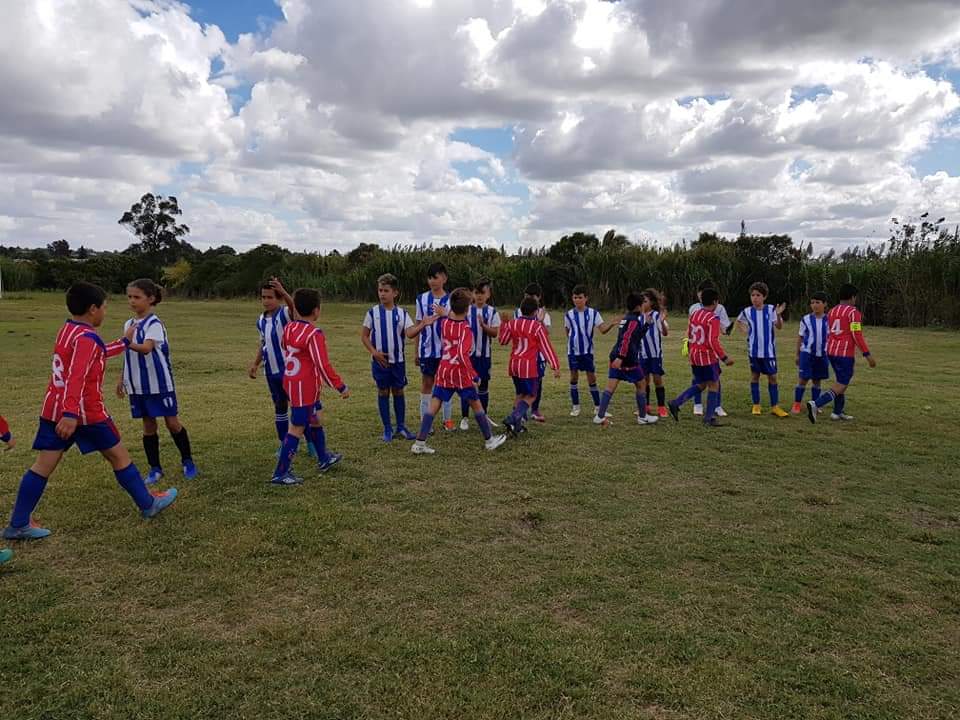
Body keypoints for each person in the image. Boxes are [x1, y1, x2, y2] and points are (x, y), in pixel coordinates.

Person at [4, 281, 177, 540]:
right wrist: (71, 414)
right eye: (104, 307)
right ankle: (148, 504)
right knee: (119, 456)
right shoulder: (87, 338)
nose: (105, 312)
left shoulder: (69, 330)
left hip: (54, 410)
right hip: (84, 413)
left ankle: (18, 523)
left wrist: (123, 342)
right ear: (93, 309)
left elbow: (96, 353)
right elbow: (76, 376)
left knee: (42, 466)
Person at [117, 278, 198, 484]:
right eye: (129, 297)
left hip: (159, 384)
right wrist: (122, 379)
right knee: (148, 425)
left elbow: (145, 348)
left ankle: (188, 461)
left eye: (137, 297)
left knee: (172, 423)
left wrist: (125, 342)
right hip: (138, 385)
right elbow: (128, 355)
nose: (132, 301)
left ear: (151, 299)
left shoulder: (154, 323)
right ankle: (155, 468)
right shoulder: (129, 324)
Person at [411, 288, 507, 454]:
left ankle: (419, 442)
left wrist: (444, 313)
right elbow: (463, 355)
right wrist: (474, 375)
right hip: (459, 372)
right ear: (468, 308)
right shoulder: (466, 329)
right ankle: (489, 440)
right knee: (476, 404)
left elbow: (449, 318)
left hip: (444, 369)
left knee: (434, 404)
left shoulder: (445, 323)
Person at [271, 289, 350, 484]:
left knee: (315, 419)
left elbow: (283, 345)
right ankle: (281, 473)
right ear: (317, 311)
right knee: (296, 428)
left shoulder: (289, 328)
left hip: (293, 383)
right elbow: (322, 364)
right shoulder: (314, 334)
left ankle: (324, 458)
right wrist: (340, 386)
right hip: (303, 387)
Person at [361, 273, 438, 442]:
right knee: (383, 391)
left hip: (398, 362)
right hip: (380, 362)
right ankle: (387, 429)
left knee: (398, 391)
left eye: (386, 290)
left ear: (395, 293)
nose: (382, 294)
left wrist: (423, 324)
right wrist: (374, 352)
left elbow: (410, 333)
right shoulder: (372, 313)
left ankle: (401, 426)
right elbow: (364, 336)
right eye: (380, 290)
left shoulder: (402, 314)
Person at [807, 283, 876, 423]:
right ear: (853, 297)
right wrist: (867, 354)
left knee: (840, 381)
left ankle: (837, 412)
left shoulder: (832, 311)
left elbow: (830, 332)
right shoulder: (853, 313)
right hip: (844, 354)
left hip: (831, 351)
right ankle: (816, 404)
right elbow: (857, 335)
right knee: (842, 384)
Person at [668, 288, 735, 427]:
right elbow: (712, 341)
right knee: (714, 384)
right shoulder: (713, 318)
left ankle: (676, 402)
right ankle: (709, 418)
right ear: (716, 302)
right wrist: (724, 357)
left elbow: (691, 334)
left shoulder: (695, 314)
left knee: (701, 384)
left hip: (695, 354)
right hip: (706, 356)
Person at [594, 292, 657, 426]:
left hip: (618, 357)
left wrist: (646, 325)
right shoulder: (633, 321)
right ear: (639, 307)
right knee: (641, 384)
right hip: (627, 360)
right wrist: (621, 357)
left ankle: (600, 416)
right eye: (643, 304)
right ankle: (642, 417)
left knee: (612, 387)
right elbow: (626, 339)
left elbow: (635, 337)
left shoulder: (627, 319)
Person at [500, 296, 561, 435]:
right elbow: (546, 347)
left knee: (520, 394)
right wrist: (555, 365)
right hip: (528, 366)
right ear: (535, 312)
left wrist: (504, 324)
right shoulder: (537, 327)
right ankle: (514, 417)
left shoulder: (512, 323)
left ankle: (517, 426)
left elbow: (503, 341)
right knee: (532, 395)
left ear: (521, 310)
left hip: (514, 364)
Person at [564, 284, 618, 418]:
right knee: (573, 377)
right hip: (573, 352)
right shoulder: (569, 314)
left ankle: (598, 407)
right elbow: (568, 331)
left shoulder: (593, 313)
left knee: (591, 378)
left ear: (586, 298)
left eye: (580, 297)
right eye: (575, 297)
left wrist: (611, 324)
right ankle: (576, 407)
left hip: (587, 352)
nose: (577, 300)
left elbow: (602, 330)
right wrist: (574, 343)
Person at [736, 282, 789, 418]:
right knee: (755, 376)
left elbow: (779, 326)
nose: (755, 298)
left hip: (768, 352)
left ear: (764, 297)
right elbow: (739, 321)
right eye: (752, 295)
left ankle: (775, 406)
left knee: (772, 377)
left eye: (758, 295)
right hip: (754, 352)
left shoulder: (771, 309)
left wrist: (778, 315)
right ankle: (756, 405)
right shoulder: (747, 311)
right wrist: (745, 330)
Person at [415, 262, 454, 430]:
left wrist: (445, 313)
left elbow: (458, 321)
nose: (432, 281)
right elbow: (418, 323)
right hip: (427, 350)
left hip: (446, 351)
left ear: (444, 278)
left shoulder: (452, 300)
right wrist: (416, 350)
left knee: (446, 384)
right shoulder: (421, 299)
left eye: (435, 277)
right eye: (429, 277)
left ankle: (447, 420)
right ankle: (426, 422)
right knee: (427, 383)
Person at [460, 277, 500, 430]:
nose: (479, 296)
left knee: (483, 385)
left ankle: (483, 415)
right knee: (467, 385)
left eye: (482, 293)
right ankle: (464, 417)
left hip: (484, 356)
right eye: (476, 292)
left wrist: (484, 326)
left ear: (488, 294)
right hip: (468, 357)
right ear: (472, 294)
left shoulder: (492, 312)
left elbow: (495, 333)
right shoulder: (466, 310)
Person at [688, 280, 732, 416]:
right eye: (700, 292)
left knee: (715, 378)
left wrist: (726, 330)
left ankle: (717, 406)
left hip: (710, 352)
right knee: (699, 378)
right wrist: (687, 343)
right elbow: (690, 327)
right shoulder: (694, 308)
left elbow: (724, 328)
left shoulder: (719, 308)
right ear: (698, 293)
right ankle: (698, 404)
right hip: (698, 350)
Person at [514, 283, 553, 422]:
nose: (528, 299)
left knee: (537, 384)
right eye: (526, 296)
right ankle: (520, 413)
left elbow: (546, 334)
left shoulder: (543, 314)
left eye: (532, 296)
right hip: (523, 357)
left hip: (538, 356)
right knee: (522, 386)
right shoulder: (518, 312)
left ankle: (534, 410)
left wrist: (540, 321)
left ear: (539, 297)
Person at [792, 291, 830, 414]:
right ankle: (796, 404)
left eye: (817, 302)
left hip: (822, 355)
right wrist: (797, 354)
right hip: (807, 354)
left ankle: (815, 404)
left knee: (817, 380)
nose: (814, 305)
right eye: (812, 302)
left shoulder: (829, 320)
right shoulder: (806, 319)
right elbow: (800, 337)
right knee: (803, 379)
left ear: (824, 304)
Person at [639, 288, 669, 418]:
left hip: (655, 355)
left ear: (651, 302)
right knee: (644, 381)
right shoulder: (638, 317)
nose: (642, 303)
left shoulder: (656, 316)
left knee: (657, 379)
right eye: (641, 301)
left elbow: (665, 333)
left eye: (645, 301)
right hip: (642, 355)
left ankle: (661, 407)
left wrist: (662, 322)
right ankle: (646, 406)